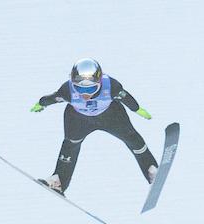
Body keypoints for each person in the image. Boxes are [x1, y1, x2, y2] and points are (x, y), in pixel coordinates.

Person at [30, 58, 157, 195]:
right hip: (79, 119)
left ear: (100, 81)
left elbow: (126, 98)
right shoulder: (67, 90)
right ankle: (58, 181)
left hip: (110, 116)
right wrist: (41, 103)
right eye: (79, 88)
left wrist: (137, 109)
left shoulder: (111, 86)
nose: (85, 94)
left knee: (132, 138)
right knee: (70, 146)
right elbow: (53, 98)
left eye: (90, 88)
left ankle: (151, 169)